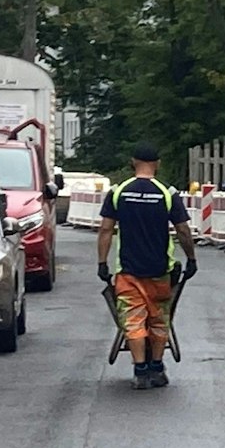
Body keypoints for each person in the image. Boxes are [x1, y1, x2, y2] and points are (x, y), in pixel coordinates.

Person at [96, 143, 198, 389]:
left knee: (133, 320)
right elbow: (183, 230)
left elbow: (106, 229)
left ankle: (140, 370)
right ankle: (156, 367)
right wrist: (191, 259)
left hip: (128, 271)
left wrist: (102, 262)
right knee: (159, 320)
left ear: (133, 162)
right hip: (160, 271)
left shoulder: (119, 192)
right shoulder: (166, 193)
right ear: (158, 164)